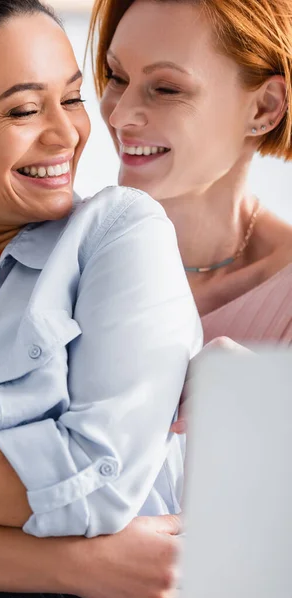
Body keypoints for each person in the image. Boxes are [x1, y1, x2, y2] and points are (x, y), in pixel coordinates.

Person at [0, 0, 202, 598]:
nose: (69, 134)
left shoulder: (121, 233)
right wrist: (75, 565)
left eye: (73, 98)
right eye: (26, 109)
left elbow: (93, 485)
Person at [89, 0, 292, 352]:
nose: (119, 116)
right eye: (117, 77)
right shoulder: (61, 255)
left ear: (265, 107)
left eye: (166, 89)